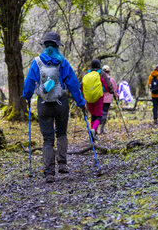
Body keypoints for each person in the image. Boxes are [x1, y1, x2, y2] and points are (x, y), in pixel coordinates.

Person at [23, 32, 86, 183]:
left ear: (44, 46)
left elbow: (29, 84)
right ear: (57, 46)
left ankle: (49, 172)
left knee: (47, 139)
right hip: (61, 102)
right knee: (62, 133)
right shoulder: (63, 63)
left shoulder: (36, 62)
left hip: (43, 104)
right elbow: (73, 84)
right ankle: (62, 164)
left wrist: (27, 96)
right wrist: (80, 102)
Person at [82, 59, 113, 141]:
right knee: (99, 116)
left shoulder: (88, 73)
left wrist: (82, 96)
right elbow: (107, 83)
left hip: (89, 98)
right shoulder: (101, 73)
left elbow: (82, 85)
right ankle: (93, 130)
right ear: (99, 65)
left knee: (93, 115)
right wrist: (110, 91)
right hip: (98, 98)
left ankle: (93, 134)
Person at [100, 65, 118, 134]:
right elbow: (114, 89)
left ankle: (98, 127)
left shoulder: (99, 78)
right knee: (105, 113)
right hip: (107, 99)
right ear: (109, 71)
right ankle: (102, 128)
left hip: (99, 98)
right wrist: (116, 96)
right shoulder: (111, 79)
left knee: (100, 113)